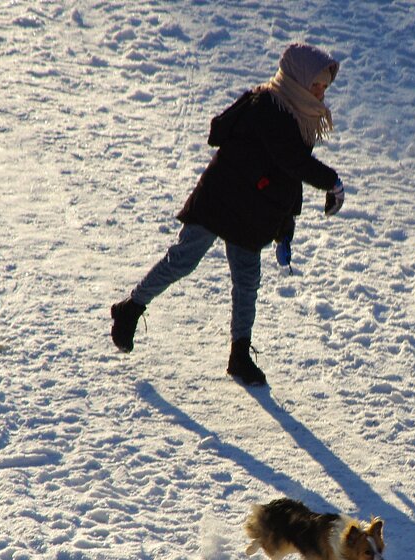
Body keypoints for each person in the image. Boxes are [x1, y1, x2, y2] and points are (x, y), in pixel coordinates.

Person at [110, 43, 345, 386]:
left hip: (252, 210)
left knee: (247, 282)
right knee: (183, 259)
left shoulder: (301, 114)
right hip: (220, 199)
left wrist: (285, 225)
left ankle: (239, 355)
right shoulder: (268, 104)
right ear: (298, 78)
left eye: (324, 87)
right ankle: (130, 308)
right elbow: (290, 160)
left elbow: (288, 175)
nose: (321, 93)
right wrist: (332, 183)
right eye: (316, 85)